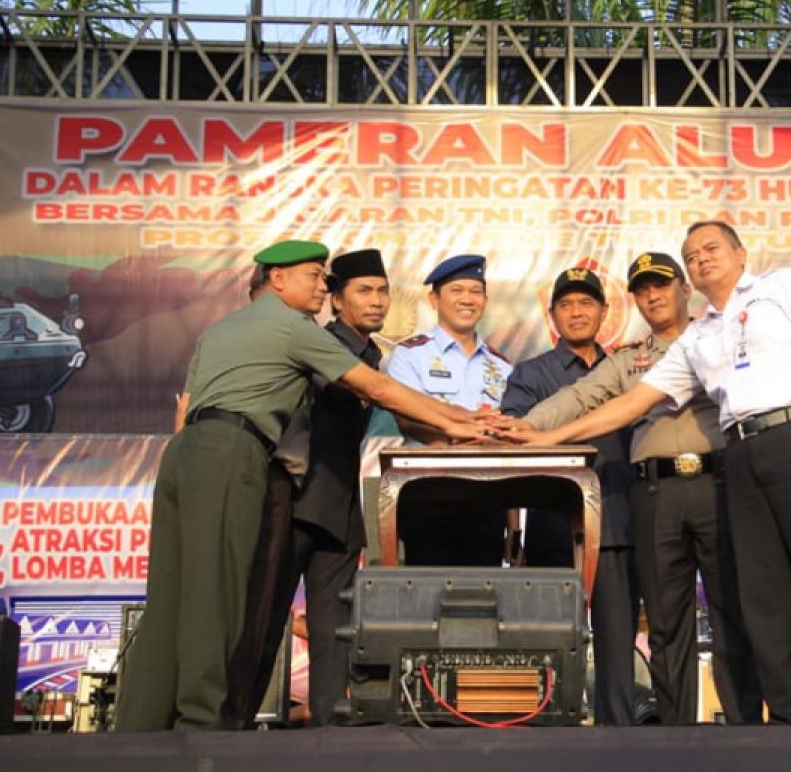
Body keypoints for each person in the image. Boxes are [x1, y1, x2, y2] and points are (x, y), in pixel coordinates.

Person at [514, 222, 791, 724]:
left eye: (710, 250)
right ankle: (788, 720)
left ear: (739, 253)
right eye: (692, 255)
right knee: (765, 596)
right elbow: (627, 403)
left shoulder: (781, 287)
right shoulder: (699, 339)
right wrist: (542, 438)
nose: (702, 259)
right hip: (739, 457)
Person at [114, 240, 489, 732]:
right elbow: (378, 390)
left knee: (169, 599)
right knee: (221, 601)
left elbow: (189, 406)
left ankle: (140, 724)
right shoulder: (298, 331)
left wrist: (456, 423)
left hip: (189, 456)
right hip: (247, 464)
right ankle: (203, 726)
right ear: (277, 279)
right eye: (315, 277)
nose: (320, 286)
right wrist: (460, 424)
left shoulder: (222, 327)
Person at [520, 253, 761, 725]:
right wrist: (520, 429)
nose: (652, 296)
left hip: (718, 485)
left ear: (684, 289)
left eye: (661, 285)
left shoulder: (722, 338)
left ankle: (744, 727)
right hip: (655, 495)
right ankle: (673, 733)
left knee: (731, 611)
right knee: (668, 622)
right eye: (642, 289)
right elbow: (577, 397)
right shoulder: (631, 359)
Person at [257, 248, 389, 726]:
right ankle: (231, 722)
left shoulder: (372, 352)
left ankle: (332, 724)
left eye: (382, 290)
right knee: (265, 618)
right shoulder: (319, 343)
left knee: (335, 627)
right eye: (364, 291)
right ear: (335, 299)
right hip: (292, 501)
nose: (376, 301)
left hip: (338, 506)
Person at [500, 267, 638, 726]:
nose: (577, 312)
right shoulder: (531, 373)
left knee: (618, 643)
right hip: (555, 526)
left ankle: (620, 737)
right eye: (567, 304)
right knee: (550, 643)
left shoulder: (633, 369)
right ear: (553, 314)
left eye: (586, 303)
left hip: (619, 522)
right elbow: (513, 441)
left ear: (604, 311)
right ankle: (548, 732)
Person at [385, 254, 515, 566]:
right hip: (429, 491)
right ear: (434, 299)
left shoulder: (502, 365)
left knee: (484, 599)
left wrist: (513, 524)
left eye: (475, 291)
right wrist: (466, 433)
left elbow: (510, 436)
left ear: (485, 299)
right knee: (428, 598)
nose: (467, 300)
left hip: (490, 494)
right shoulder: (409, 354)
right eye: (457, 291)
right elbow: (409, 420)